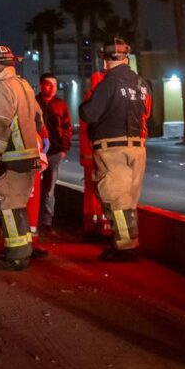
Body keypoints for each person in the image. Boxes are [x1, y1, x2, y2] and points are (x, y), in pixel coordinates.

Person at [78, 37, 151, 262]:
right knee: (129, 201)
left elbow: (89, 114)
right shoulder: (141, 83)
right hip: (137, 148)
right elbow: (147, 113)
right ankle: (128, 242)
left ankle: (125, 248)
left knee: (117, 201)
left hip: (113, 149)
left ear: (106, 60)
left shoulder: (109, 83)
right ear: (126, 58)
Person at [0, 44, 43, 270]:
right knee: (18, 204)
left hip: (12, 158)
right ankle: (24, 247)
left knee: (4, 205)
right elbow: (39, 119)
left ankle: (16, 255)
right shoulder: (24, 85)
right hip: (30, 157)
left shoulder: (1, 88)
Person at [79, 71, 114, 241]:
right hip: (97, 155)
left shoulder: (89, 102)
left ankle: (92, 225)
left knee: (92, 193)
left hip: (92, 155)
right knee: (102, 192)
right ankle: (100, 226)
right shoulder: (98, 103)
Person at [36, 72, 73, 234]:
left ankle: (46, 222)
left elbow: (67, 128)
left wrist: (64, 149)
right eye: (48, 84)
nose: (52, 88)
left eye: (55, 85)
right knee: (33, 188)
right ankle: (31, 219)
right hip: (35, 152)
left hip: (55, 152)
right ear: (41, 85)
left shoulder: (61, 105)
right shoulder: (33, 103)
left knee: (49, 189)